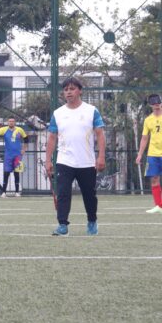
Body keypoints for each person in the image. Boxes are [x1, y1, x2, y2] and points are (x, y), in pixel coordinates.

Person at [45, 77, 106, 236]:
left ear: (79, 90)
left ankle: (92, 221)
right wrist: (48, 160)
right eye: (66, 89)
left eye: (72, 89)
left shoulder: (92, 111)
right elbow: (52, 137)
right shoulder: (58, 113)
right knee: (63, 193)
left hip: (87, 162)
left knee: (89, 195)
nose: (68, 92)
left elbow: (100, 134)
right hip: (64, 161)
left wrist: (101, 157)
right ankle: (62, 225)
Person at [135, 93, 162, 214]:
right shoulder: (148, 120)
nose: (157, 106)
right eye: (155, 105)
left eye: (159, 104)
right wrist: (140, 154)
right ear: (151, 105)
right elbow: (144, 138)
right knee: (154, 179)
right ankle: (159, 206)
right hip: (153, 154)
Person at [0, 117, 28, 197]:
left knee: (16, 173)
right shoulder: (4, 129)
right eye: (9, 121)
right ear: (8, 122)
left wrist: (24, 149)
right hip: (8, 155)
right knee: (6, 173)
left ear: (15, 122)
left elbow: (26, 139)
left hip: (17, 155)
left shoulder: (19, 130)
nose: (11, 122)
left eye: (12, 121)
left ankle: (17, 192)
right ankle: (4, 192)